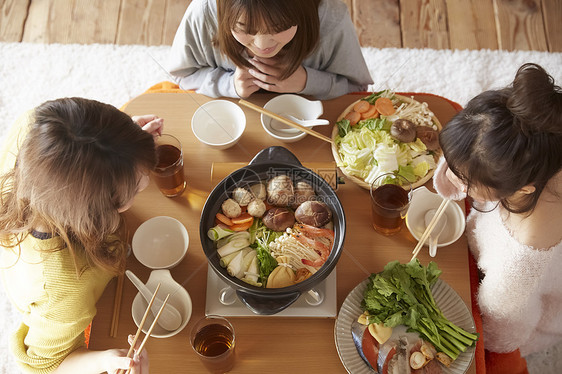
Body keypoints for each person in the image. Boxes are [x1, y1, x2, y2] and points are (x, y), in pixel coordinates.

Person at [0, 97, 163, 373]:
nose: (144, 182)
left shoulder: (37, 129)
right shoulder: (65, 289)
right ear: (97, 217)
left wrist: (122, 147)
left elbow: (79, 148)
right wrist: (105, 359)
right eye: (134, 189)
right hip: (52, 304)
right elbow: (41, 365)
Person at [433, 63, 562, 359]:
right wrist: (458, 173)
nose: (451, 178)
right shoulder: (533, 140)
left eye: (464, 180)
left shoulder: (519, 260)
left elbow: (503, 334)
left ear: (522, 189)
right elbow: (470, 151)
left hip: (531, 304)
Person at [167, 0, 373, 99]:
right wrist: (227, 84)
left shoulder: (330, 16)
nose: (262, 46)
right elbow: (181, 76)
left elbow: (357, 90)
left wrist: (307, 82)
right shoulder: (204, 12)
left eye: (280, 28)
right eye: (244, 29)